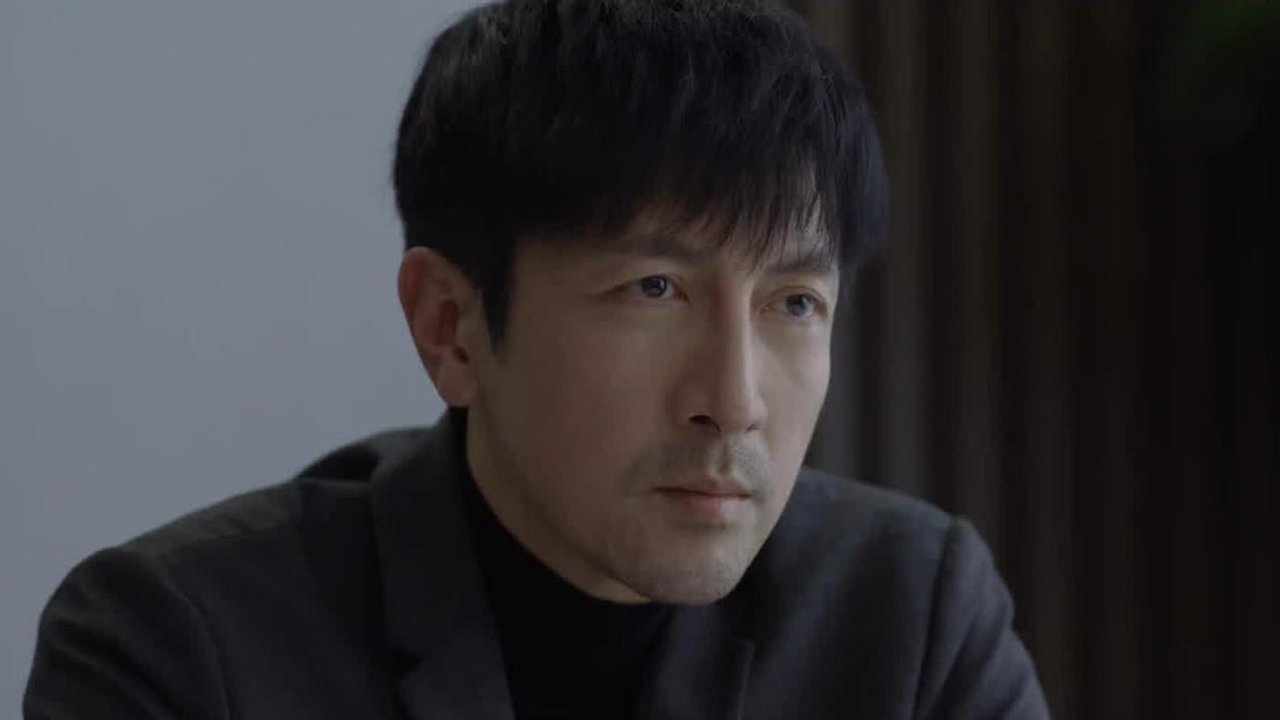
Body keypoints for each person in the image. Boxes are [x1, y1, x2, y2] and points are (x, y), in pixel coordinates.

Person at [24, 0, 1049, 717]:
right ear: (451, 326)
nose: (735, 401)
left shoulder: (910, 618)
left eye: (794, 302)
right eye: (655, 289)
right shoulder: (178, 647)